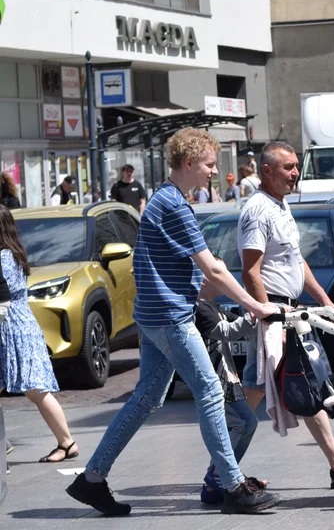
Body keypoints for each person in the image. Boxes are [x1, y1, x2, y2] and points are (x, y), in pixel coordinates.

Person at [66, 128, 280, 517]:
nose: (215, 172)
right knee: (211, 393)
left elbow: (193, 271)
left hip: (153, 317)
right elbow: (212, 268)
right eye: (210, 165)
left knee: (146, 399)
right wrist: (254, 304)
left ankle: (92, 479)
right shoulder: (174, 206)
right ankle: (232, 486)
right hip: (170, 319)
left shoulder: (166, 201)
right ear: (188, 163)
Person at [238, 141, 334, 488]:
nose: (295, 173)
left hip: (292, 313)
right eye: (288, 167)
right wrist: (269, 316)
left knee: (307, 387)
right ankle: (219, 469)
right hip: (275, 315)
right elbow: (250, 272)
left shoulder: (281, 206)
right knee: (252, 393)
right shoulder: (257, 210)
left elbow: (296, 261)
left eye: (296, 166)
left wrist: (325, 301)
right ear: (266, 170)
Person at [0, 206, 80, 464]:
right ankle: (64, 443)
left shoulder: (2, 257)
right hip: (21, 324)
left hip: (10, 327)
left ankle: (67, 443)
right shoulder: (14, 253)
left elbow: (3, 298)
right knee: (36, 389)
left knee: (36, 389)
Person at [193, 287, 262, 504]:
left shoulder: (215, 307)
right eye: (217, 272)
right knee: (244, 422)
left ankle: (213, 487)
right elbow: (228, 331)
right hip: (216, 380)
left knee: (238, 425)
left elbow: (246, 328)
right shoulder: (200, 309)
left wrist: (270, 313)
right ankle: (218, 475)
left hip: (228, 378)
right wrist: (253, 312)